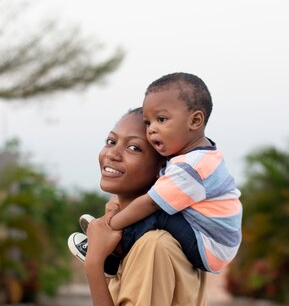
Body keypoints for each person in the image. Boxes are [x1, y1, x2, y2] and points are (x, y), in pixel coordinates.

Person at [84, 107, 219, 306]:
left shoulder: (155, 246)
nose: (112, 153)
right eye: (111, 141)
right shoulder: (159, 232)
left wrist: (94, 264)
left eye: (134, 148)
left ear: (163, 169)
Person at [69, 72, 242, 275]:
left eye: (161, 119)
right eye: (148, 122)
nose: (151, 130)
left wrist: (108, 225)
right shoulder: (201, 155)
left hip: (210, 245)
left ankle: (111, 249)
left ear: (195, 121)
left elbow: (150, 202)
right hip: (214, 239)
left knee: (157, 212)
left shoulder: (191, 168)